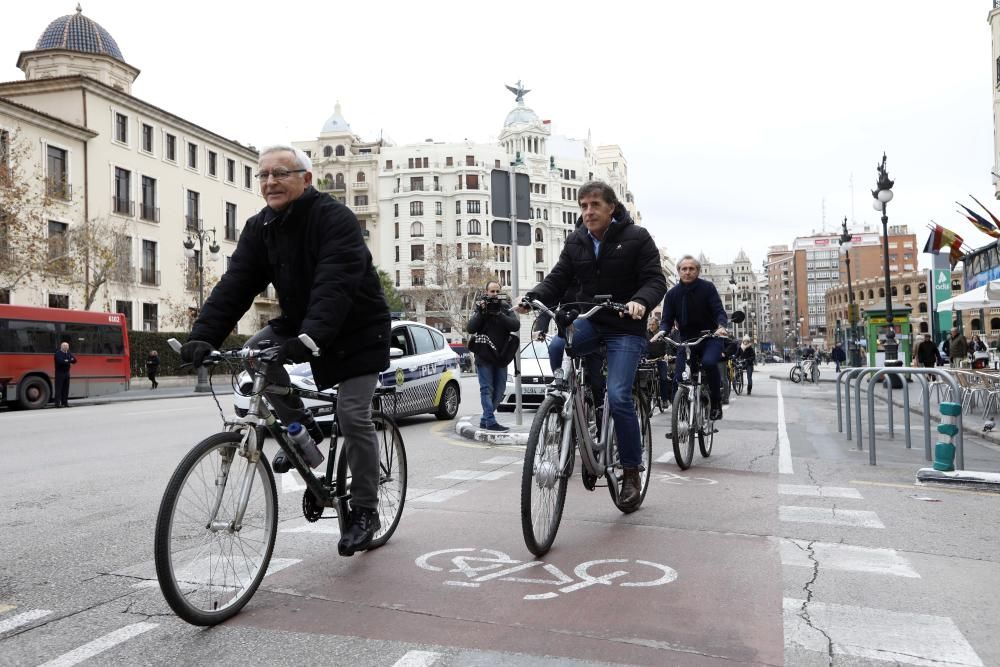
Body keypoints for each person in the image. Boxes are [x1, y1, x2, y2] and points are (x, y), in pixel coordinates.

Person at [180, 145, 391, 558]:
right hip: (301, 325)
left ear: (306, 179)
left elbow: (334, 286)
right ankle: (304, 430)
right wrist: (203, 336)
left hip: (358, 330)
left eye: (281, 173)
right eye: (263, 176)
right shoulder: (260, 227)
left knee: (352, 416)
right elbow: (236, 284)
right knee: (255, 354)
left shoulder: (334, 219)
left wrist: (308, 340)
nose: (270, 182)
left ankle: (365, 511)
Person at [518, 181, 666, 509]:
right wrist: (533, 297)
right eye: (583, 206)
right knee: (558, 346)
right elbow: (558, 279)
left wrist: (640, 302)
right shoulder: (577, 240)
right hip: (591, 322)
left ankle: (630, 472)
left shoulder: (636, 237)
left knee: (618, 395)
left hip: (625, 328)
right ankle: (574, 408)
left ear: (611, 208)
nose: (587, 212)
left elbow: (656, 279)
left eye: (594, 205)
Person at [660, 255, 728, 421]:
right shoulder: (672, 294)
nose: (688, 272)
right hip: (686, 340)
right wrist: (662, 331)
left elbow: (719, 311)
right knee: (678, 378)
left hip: (710, 336)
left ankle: (716, 403)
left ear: (697, 271)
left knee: (709, 363)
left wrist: (721, 326)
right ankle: (681, 420)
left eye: (691, 269)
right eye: (684, 269)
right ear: (678, 272)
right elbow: (666, 320)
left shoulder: (708, 288)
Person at [466, 280, 519, 432]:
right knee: (486, 389)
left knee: (500, 390)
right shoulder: (481, 307)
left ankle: (485, 419)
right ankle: (490, 420)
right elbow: (470, 328)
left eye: (497, 291)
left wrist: (499, 314)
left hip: (501, 356)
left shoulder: (505, 306)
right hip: (484, 356)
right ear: (486, 292)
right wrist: (482, 313)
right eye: (492, 291)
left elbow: (515, 325)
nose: (494, 294)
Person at [53, 341, 76, 408]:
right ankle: (57, 404)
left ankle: (65, 403)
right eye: (64, 346)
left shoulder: (68, 353)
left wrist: (67, 360)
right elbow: (60, 361)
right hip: (59, 373)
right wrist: (69, 360)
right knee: (59, 389)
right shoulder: (58, 353)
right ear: (61, 347)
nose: (66, 347)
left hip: (67, 373)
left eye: (67, 346)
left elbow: (75, 360)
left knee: (66, 389)